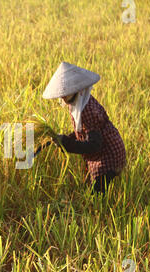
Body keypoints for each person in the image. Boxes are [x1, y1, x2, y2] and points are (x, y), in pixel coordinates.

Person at [42, 62, 126, 194]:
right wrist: (65, 139)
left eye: (66, 92)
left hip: (107, 156)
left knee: (96, 195)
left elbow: (93, 145)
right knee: (88, 188)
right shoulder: (76, 104)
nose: (63, 96)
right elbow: (83, 133)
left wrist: (65, 143)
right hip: (99, 154)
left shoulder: (87, 110)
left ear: (77, 90)